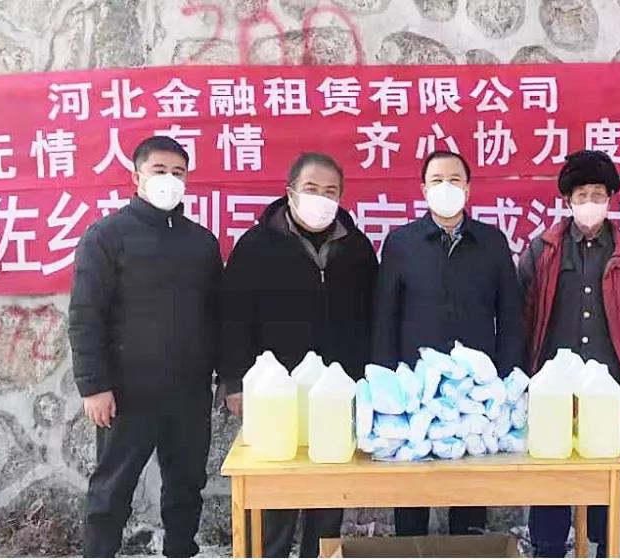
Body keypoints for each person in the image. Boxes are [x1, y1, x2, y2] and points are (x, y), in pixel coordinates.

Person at [69, 136, 222, 558]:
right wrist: (93, 386)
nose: (169, 179)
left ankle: (180, 551)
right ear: (136, 177)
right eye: (159, 170)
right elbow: (85, 315)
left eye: (178, 172)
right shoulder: (106, 236)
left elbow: (217, 315)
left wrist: (225, 377)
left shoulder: (201, 242)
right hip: (126, 392)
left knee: (186, 486)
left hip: (188, 391)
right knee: (111, 490)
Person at [219, 152, 378, 558]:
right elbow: (233, 318)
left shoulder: (357, 248)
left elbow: (371, 316)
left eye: (331, 191)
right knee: (276, 496)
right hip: (276, 393)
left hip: (337, 393)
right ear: (290, 192)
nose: (321, 198)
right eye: (311, 189)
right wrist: (235, 382)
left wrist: (368, 384)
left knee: (328, 493)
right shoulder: (256, 247)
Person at [372, 150, 524, 537]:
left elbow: (510, 315)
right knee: (412, 488)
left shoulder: (491, 242)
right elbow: (385, 316)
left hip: (475, 390)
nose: (446, 187)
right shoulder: (401, 243)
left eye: (454, 179)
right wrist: (386, 384)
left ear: (468, 189)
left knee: (470, 486)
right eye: (437, 180)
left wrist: (507, 381)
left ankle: (468, 545)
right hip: (415, 388)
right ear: (423, 189)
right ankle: (410, 546)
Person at [518, 150, 620, 557]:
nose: (590, 202)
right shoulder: (542, 251)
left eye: (598, 194)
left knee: (608, 479)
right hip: (551, 394)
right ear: (567, 199)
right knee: (551, 478)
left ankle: (610, 549)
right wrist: (522, 386)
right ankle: (547, 549)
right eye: (581, 195)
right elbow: (521, 318)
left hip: (608, 395)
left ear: (611, 197)